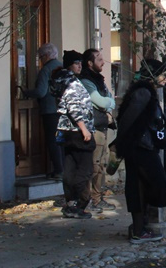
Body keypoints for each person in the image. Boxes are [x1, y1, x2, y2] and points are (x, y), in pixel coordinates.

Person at [115, 58, 166, 243]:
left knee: (146, 186)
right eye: (163, 75)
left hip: (142, 145)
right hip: (140, 147)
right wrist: (121, 144)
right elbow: (128, 120)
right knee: (143, 187)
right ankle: (139, 229)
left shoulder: (146, 91)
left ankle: (140, 227)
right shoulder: (143, 92)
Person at [54, 50, 96, 220]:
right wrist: (83, 128)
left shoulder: (64, 80)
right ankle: (77, 202)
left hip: (68, 131)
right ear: (69, 65)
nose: (80, 66)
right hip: (77, 132)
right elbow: (73, 107)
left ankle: (71, 203)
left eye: (80, 63)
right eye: (76, 63)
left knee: (70, 167)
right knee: (85, 169)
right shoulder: (71, 82)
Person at [79, 48, 117, 212]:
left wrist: (107, 102)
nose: (103, 62)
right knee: (93, 166)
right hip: (93, 128)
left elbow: (110, 99)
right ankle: (88, 200)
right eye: (99, 59)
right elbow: (101, 101)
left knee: (101, 165)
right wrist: (107, 102)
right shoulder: (86, 81)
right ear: (90, 63)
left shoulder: (99, 80)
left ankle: (97, 198)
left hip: (102, 126)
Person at [27, 43, 64, 179]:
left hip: (50, 110)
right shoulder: (63, 67)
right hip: (64, 110)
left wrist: (27, 93)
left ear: (47, 56)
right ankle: (64, 169)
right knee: (61, 139)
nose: (41, 60)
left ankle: (58, 170)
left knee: (52, 140)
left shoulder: (46, 70)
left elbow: (41, 92)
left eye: (41, 57)